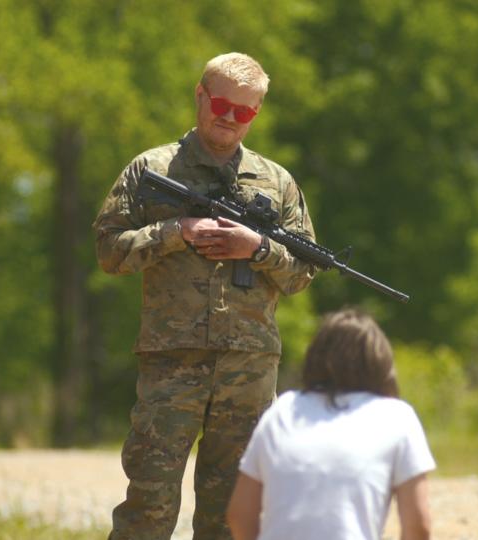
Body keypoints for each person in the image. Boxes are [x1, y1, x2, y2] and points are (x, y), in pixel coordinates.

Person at [93, 52, 318, 540]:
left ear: (256, 113)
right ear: (200, 96)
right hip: (172, 363)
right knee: (148, 505)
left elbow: (304, 273)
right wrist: (176, 232)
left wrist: (257, 247)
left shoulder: (278, 183)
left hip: (248, 370)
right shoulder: (149, 169)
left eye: (245, 112)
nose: (230, 119)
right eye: (221, 104)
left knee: (233, 514)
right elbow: (109, 252)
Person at [226, 309, 436, 540]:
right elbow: (419, 526)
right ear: (381, 364)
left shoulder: (283, 410)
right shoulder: (397, 416)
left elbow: (239, 514)